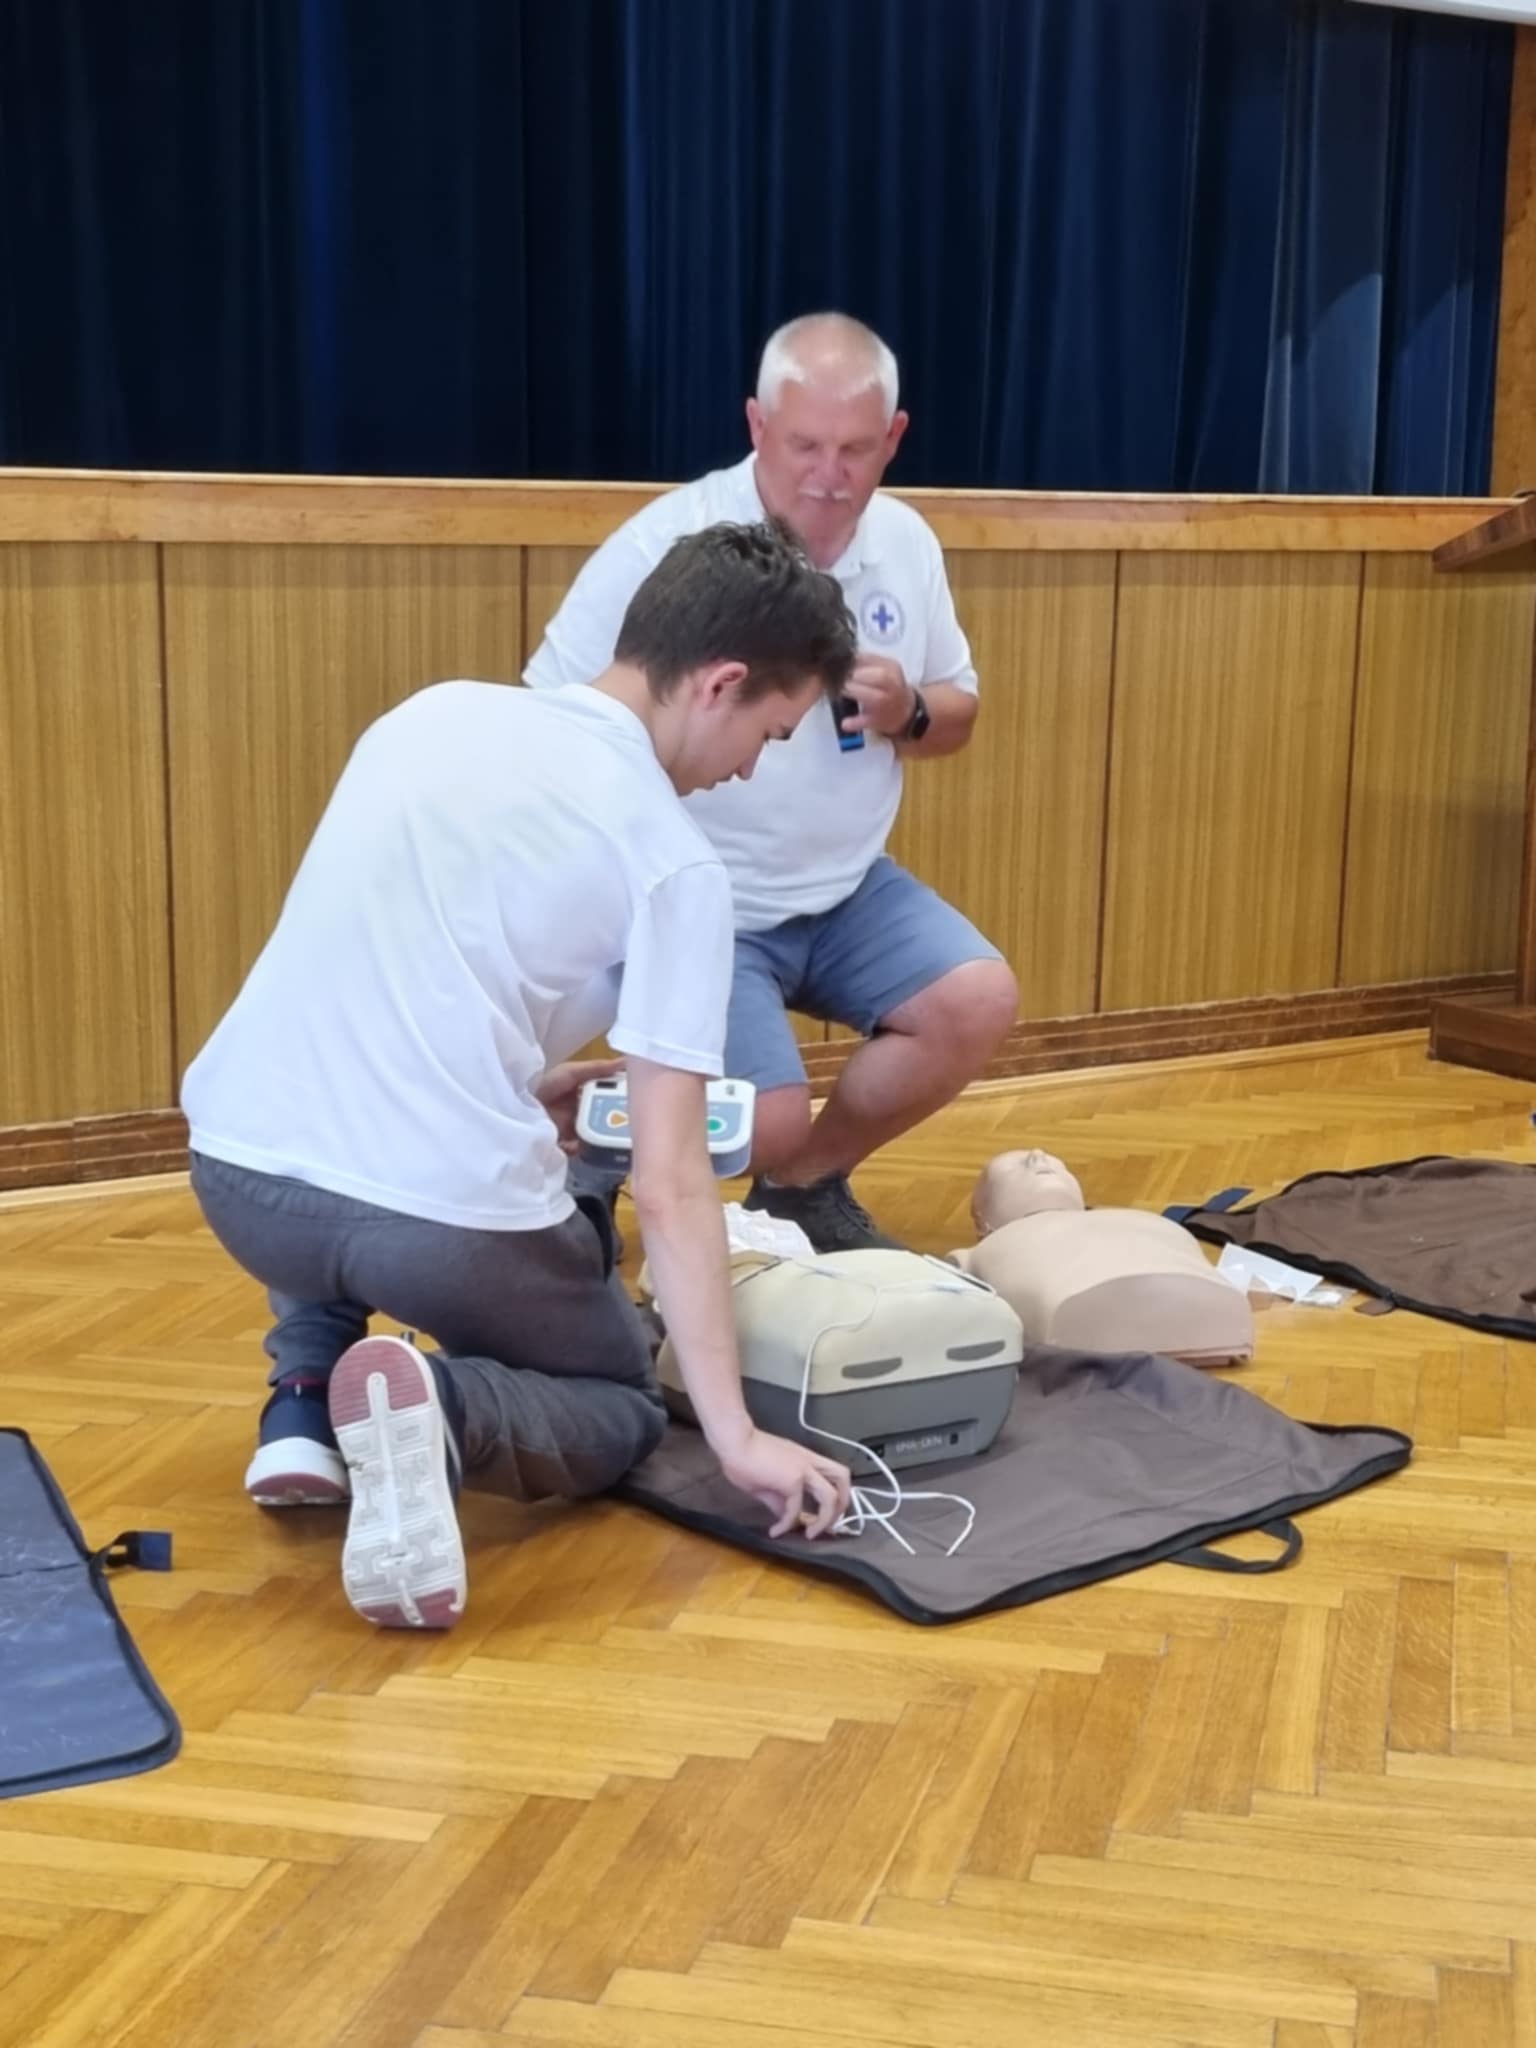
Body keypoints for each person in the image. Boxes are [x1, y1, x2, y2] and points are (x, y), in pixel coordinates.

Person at [181, 521, 857, 1631]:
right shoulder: (672, 861)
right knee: (621, 1403)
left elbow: (372, 991)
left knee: (335, 1139)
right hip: (434, 1230)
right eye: (768, 735)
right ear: (720, 683)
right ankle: (440, 1411)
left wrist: (517, 1086)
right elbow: (673, 1186)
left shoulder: (427, 714)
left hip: (238, 1177)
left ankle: (303, 1398)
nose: (749, 768)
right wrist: (736, 1436)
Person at [526, 312, 1018, 1255]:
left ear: (894, 439)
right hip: (700, 895)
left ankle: (799, 1186)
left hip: (846, 887)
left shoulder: (907, 543)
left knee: (978, 999)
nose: (830, 475)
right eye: (804, 446)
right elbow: (551, 716)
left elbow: (959, 712)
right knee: (766, 1117)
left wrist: (911, 709)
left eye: (855, 450)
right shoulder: (668, 544)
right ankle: (588, 1158)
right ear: (757, 426)